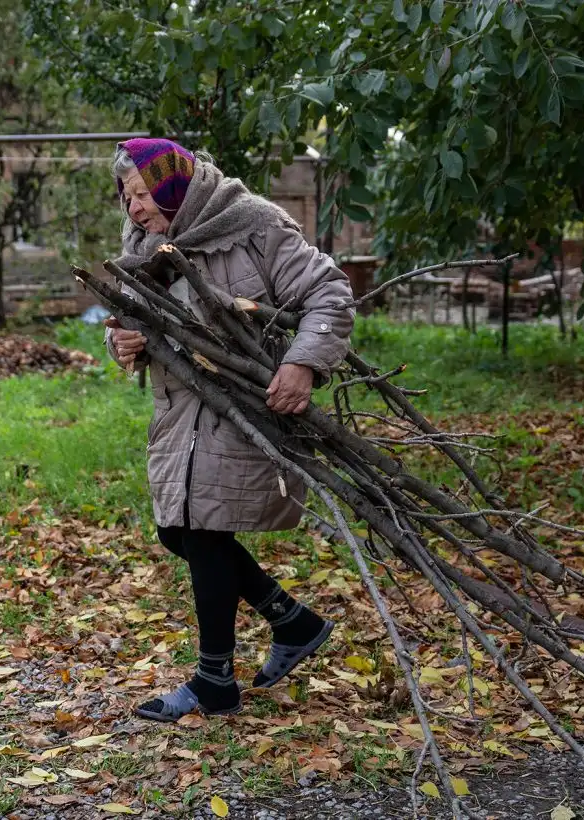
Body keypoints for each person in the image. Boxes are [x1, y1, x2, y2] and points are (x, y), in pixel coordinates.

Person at [103, 138, 355, 722]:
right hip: (179, 413)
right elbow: (128, 320)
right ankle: (294, 622)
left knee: (204, 533)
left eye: (142, 193)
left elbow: (329, 292)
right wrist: (124, 341)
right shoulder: (146, 246)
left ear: (173, 184)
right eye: (127, 196)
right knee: (178, 532)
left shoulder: (252, 225)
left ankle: (214, 681)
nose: (134, 208)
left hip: (244, 407)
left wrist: (303, 362)